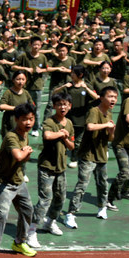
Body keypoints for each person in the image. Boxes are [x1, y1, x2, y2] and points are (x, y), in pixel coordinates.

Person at [0, 102, 37, 258]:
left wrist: (26, 154)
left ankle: (19, 241)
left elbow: (23, 158)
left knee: (28, 210)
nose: (28, 123)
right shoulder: (11, 136)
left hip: (18, 180)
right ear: (16, 119)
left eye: (31, 119)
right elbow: (19, 156)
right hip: (3, 182)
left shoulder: (25, 134)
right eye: (25, 119)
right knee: (1, 215)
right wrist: (26, 152)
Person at [66, 85, 118, 224]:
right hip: (88, 154)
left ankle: (102, 208)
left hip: (101, 154)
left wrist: (112, 130)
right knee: (82, 184)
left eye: (115, 97)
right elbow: (90, 126)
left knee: (103, 183)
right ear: (101, 98)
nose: (113, 99)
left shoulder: (110, 113)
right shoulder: (94, 111)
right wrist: (106, 125)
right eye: (110, 96)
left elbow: (110, 138)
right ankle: (71, 213)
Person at [29, 91, 74, 242]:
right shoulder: (50, 121)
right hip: (46, 167)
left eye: (65, 104)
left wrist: (66, 138)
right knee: (45, 199)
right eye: (59, 104)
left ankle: (50, 222)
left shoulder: (69, 124)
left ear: (70, 106)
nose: (62, 107)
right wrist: (61, 134)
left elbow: (72, 146)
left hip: (61, 168)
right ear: (54, 106)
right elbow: (47, 135)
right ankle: (32, 229)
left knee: (60, 197)